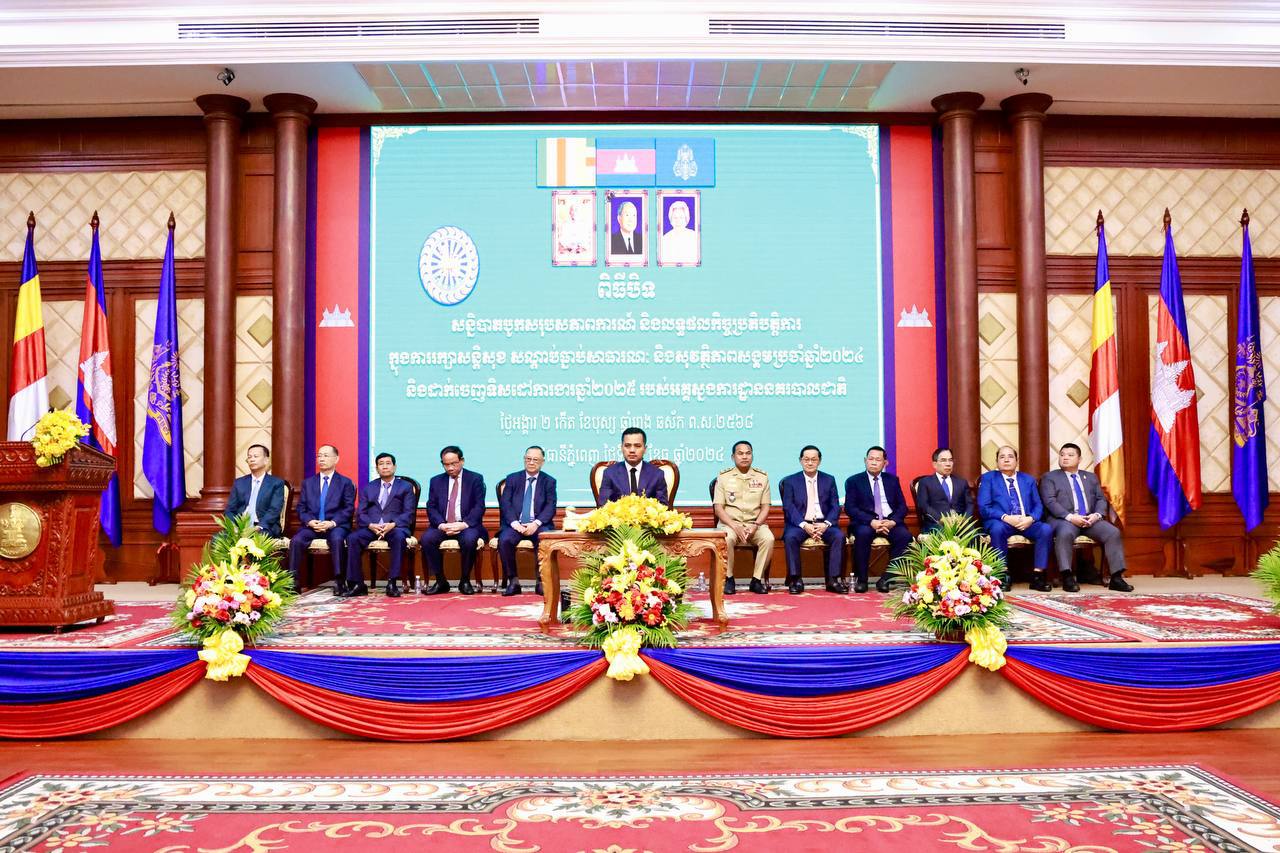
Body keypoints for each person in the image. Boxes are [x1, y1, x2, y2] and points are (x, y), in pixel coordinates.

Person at [1039, 442, 1134, 592]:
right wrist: (1071, 517)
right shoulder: (1050, 477)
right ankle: (1067, 576)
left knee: (1112, 532)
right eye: (1062, 455)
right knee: (1065, 533)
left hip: (1089, 519)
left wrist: (1097, 515)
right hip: (1064, 519)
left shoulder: (1090, 477)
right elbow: (1050, 502)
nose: (1065, 458)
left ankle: (1116, 577)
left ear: (1079, 459)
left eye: (1070, 455)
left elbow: (1101, 499)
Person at [977, 445, 1053, 592]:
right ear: (997, 461)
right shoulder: (988, 478)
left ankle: (1038, 576)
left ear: (1017, 461)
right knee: (997, 529)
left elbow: (1038, 505)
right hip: (1001, 521)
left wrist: (1031, 519)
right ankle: (1002, 574)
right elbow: (984, 507)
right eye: (1002, 457)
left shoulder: (1028, 480)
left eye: (1010, 456)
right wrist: (1006, 517)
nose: (1006, 460)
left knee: (1046, 529)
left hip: (1025, 522)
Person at [341, 452, 417, 598]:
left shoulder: (405, 487)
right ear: (376, 468)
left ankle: (392, 582)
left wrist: (392, 525)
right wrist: (371, 525)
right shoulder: (369, 487)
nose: (385, 467)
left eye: (388, 463)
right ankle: (358, 584)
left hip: (395, 527)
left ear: (394, 467)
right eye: (381, 464)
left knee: (399, 538)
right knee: (352, 538)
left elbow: (409, 512)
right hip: (372, 527)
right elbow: (361, 513)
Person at [287, 444, 356, 592]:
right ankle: (293, 582)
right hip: (313, 525)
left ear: (336, 459)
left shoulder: (345, 483)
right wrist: (310, 521)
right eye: (319, 456)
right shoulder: (308, 483)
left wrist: (332, 523)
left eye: (325, 455)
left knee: (337, 539)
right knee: (296, 541)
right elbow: (301, 508)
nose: (321, 459)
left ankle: (339, 581)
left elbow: (348, 508)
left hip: (335, 526)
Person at [844, 445, 912, 594]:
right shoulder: (854, 481)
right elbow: (850, 508)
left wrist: (892, 521)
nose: (874, 462)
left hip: (889, 521)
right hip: (866, 522)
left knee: (905, 537)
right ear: (865, 460)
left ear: (885, 463)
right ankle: (862, 580)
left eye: (878, 459)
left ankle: (886, 578)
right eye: (871, 459)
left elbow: (902, 507)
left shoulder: (892, 480)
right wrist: (871, 521)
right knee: (863, 534)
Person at [420, 445, 487, 595]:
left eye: (454, 463)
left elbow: (479, 506)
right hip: (443, 524)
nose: (450, 468)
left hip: (466, 525)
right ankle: (440, 581)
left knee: (469, 540)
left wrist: (463, 524)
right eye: (446, 464)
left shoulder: (475, 478)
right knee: (427, 539)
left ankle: (465, 580)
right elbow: (431, 506)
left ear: (462, 461)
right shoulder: (436, 481)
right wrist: (441, 525)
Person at [779, 445, 845, 594]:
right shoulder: (790, 481)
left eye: (813, 459)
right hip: (800, 524)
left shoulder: (829, 479)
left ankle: (833, 580)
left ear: (819, 461)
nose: (810, 463)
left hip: (823, 523)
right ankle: (795, 580)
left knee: (839, 536)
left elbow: (835, 506)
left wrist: (826, 524)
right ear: (800, 461)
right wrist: (804, 525)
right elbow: (789, 507)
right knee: (790, 537)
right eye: (806, 459)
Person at [713, 440, 774, 595]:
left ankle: (756, 580)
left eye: (748, 453)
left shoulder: (762, 477)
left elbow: (766, 507)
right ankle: (729, 579)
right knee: (727, 539)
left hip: (755, 524)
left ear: (752, 455)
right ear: (733, 457)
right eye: (740, 453)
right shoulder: (723, 477)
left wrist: (755, 525)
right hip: (730, 524)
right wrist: (735, 526)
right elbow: (718, 508)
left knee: (768, 539)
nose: (744, 456)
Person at [497, 446, 557, 596]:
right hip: (515, 524)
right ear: (524, 459)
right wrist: (514, 523)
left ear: (542, 462)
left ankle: (541, 581)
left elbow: (550, 506)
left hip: (538, 524)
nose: (531, 462)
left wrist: (535, 523)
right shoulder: (512, 479)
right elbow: (505, 504)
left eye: (535, 459)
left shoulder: (549, 481)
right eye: (528, 459)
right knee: (504, 540)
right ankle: (513, 581)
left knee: (544, 539)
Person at [224, 443, 285, 538]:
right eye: (249, 457)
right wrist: (233, 526)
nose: (252, 459)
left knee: (256, 539)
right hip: (240, 527)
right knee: (217, 539)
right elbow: (230, 510)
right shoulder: (239, 483)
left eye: (256, 456)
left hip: (264, 527)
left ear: (266, 460)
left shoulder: (276, 483)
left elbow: (274, 510)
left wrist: (260, 526)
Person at [597, 427, 668, 505]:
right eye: (627, 446)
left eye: (637, 446)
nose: (632, 450)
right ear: (621, 448)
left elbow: (663, 506)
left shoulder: (657, 474)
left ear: (645, 449)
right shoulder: (610, 473)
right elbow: (603, 506)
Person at [916, 446, 973, 532]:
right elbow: (924, 506)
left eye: (950, 460)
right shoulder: (925, 482)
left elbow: (969, 504)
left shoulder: (962, 482)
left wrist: (964, 519)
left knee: (972, 533)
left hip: (960, 524)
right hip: (937, 524)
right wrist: (941, 519)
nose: (948, 464)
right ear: (934, 464)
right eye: (943, 460)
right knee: (943, 532)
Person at [660, 199, 698, 264]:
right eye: (675, 218)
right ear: (671, 220)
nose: (678, 221)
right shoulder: (665, 238)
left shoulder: (694, 236)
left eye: (681, 217)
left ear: (686, 219)